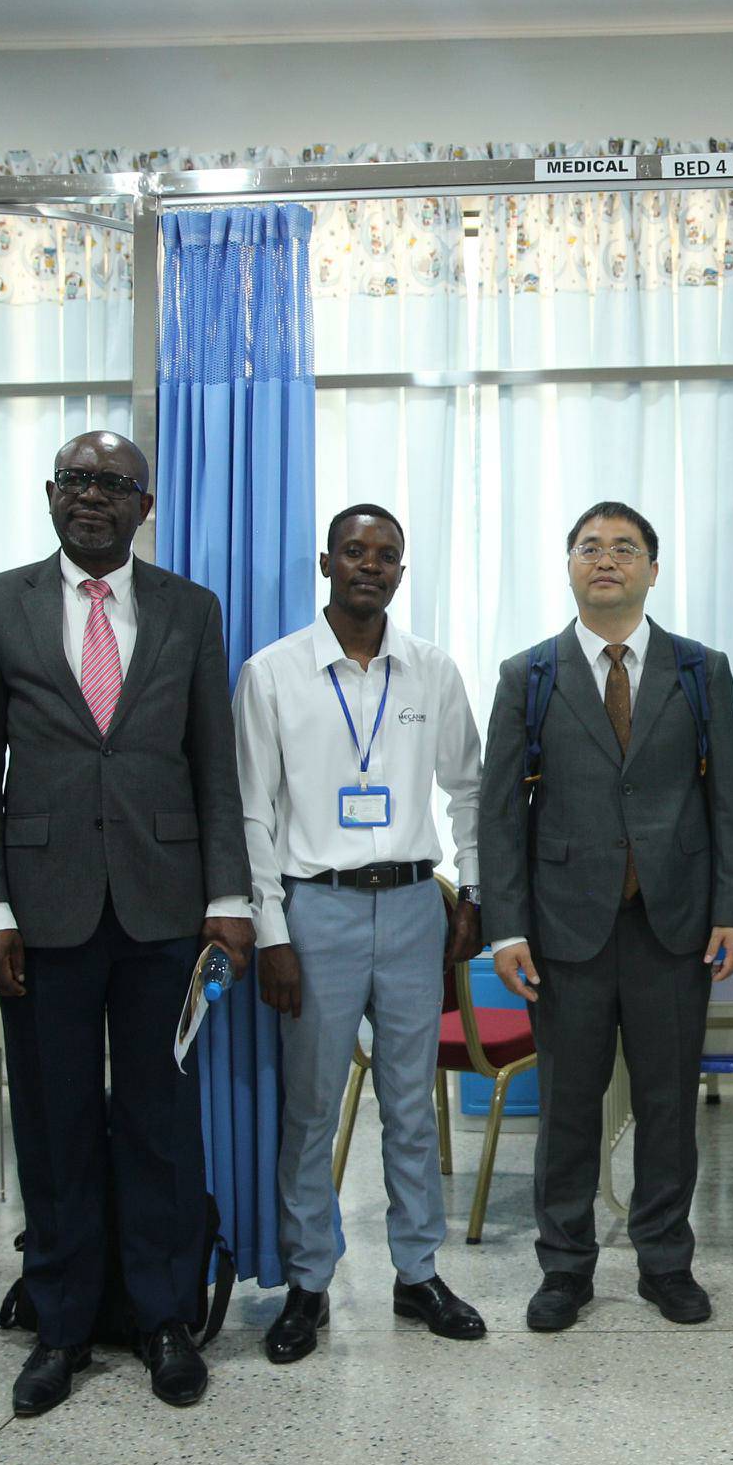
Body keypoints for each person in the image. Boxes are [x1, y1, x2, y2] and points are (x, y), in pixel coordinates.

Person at [0, 431, 255, 1417]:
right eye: (77, 481)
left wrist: (230, 901)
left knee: (162, 1119)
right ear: (51, 494)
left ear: (144, 505)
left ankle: (165, 1316)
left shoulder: (190, 609)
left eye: (114, 484)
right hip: (39, 913)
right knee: (55, 1122)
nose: (93, 496)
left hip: (167, 908)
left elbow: (214, 764)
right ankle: (63, 1323)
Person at [480, 502, 733, 1333]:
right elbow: (500, 815)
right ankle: (564, 1268)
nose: (607, 559)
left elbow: (730, 799)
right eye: (590, 547)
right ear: (569, 565)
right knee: (568, 1105)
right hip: (564, 930)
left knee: (669, 1104)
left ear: (653, 569)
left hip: (674, 925)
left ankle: (666, 1262)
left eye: (625, 548)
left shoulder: (699, 669)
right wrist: (506, 927)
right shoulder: (527, 675)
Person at [235, 504, 488, 1358]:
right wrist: (272, 931)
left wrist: (472, 893)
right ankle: (309, 1282)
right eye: (353, 551)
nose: (369, 566)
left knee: (412, 1105)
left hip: (414, 908)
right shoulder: (272, 674)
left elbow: (470, 790)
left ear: (400, 573)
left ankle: (418, 1273)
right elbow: (252, 813)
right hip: (317, 911)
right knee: (311, 1108)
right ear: (326, 563)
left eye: (385, 555)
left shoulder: (432, 671)